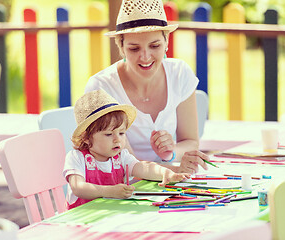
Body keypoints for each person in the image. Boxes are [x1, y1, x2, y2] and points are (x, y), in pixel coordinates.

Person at [85, 0, 210, 174]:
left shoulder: (180, 73)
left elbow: (190, 142)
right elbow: (124, 164)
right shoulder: (102, 87)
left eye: (155, 46)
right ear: (121, 47)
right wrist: (172, 170)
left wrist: (171, 153)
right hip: (121, 190)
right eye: (134, 48)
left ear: (166, 42)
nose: (145, 57)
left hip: (167, 183)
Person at [63, 90, 189, 209]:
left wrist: (164, 173)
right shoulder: (76, 158)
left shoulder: (121, 157)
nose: (117, 140)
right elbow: (78, 187)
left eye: (122, 133)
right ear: (86, 137)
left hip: (112, 215)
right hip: (81, 219)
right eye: (108, 134)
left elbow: (143, 168)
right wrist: (110, 191)